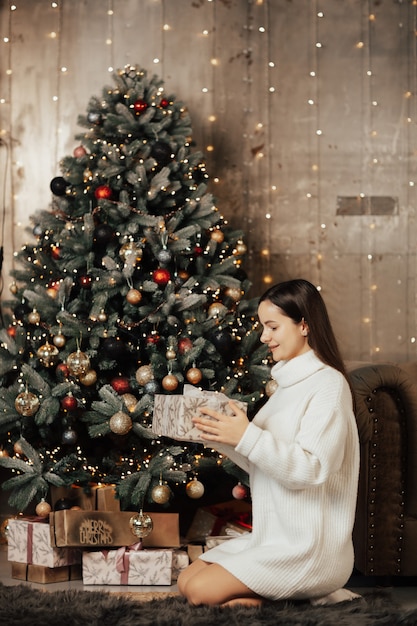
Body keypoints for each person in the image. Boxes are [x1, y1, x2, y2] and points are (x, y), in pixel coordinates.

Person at [177, 278, 360, 607]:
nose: (264, 337)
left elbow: (309, 469)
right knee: (186, 580)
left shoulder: (328, 385)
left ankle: (307, 601)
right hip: (272, 539)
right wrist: (223, 435)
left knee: (200, 592)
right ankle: (300, 601)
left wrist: (246, 436)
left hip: (308, 549)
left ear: (303, 325)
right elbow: (265, 462)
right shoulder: (287, 387)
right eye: (263, 327)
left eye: (272, 326)